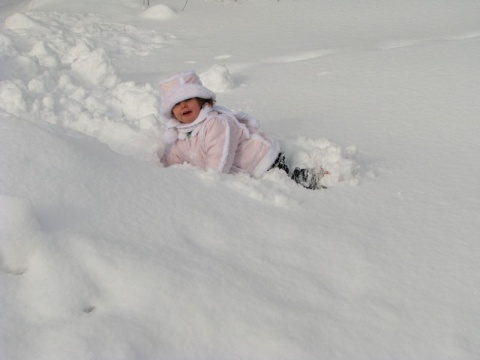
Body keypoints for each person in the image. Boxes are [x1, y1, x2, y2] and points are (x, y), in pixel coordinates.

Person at [158, 71, 323, 189]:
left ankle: (317, 176)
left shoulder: (215, 123)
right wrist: (158, 170)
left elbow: (220, 157)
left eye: (188, 99)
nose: (184, 106)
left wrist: (211, 182)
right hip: (242, 169)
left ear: (201, 101)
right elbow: (174, 158)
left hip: (262, 159)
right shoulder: (180, 136)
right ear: (171, 112)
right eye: (177, 104)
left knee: (289, 183)